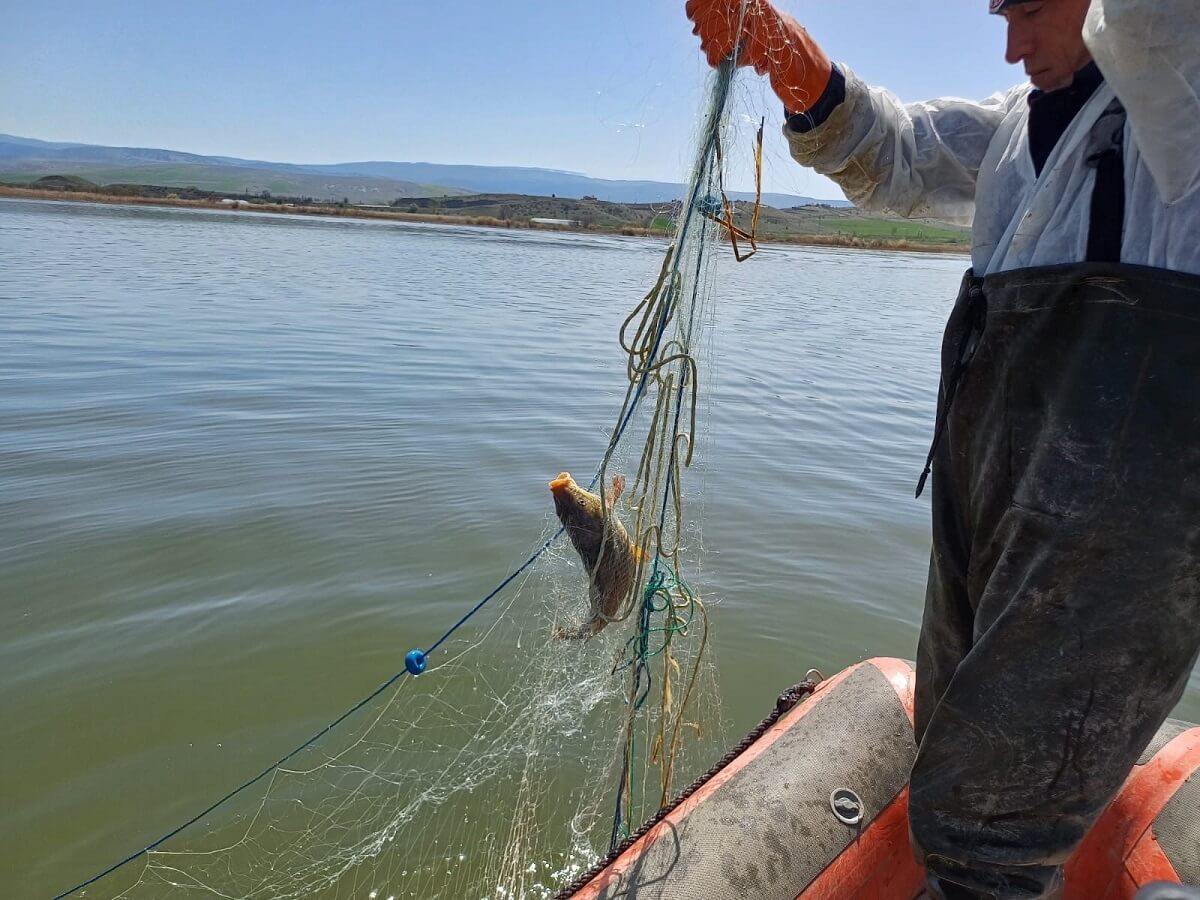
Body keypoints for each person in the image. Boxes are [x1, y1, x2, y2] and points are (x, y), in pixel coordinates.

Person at [686, 1, 1200, 898]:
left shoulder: (1179, 95)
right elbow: (900, 154)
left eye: (1032, 8)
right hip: (990, 505)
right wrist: (785, 52)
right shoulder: (1015, 127)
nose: (1011, 42)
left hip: (1121, 533)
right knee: (948, 744)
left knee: (987, 831)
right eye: (1002, 9)